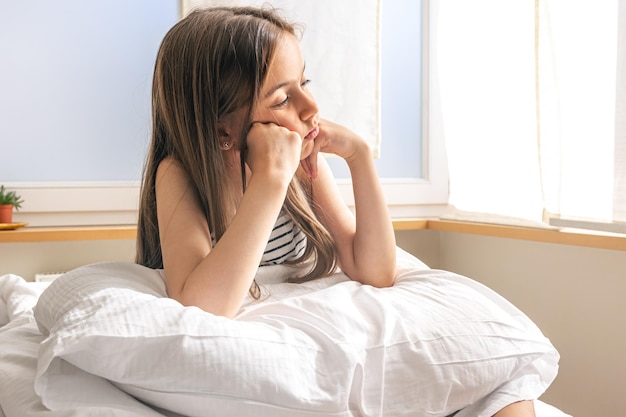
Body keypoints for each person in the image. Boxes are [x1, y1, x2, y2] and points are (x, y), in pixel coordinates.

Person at [136, 6, 537, 417]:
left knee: (505, 390)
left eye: (305, 83)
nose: (311, 106)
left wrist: (359, 156)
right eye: (283, 98)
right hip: (280, 357)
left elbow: (376, 271)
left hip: (328, 319)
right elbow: (204, 306)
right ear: (223, 127)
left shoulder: (304, 164)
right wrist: (270, 181)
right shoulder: (180, 175)